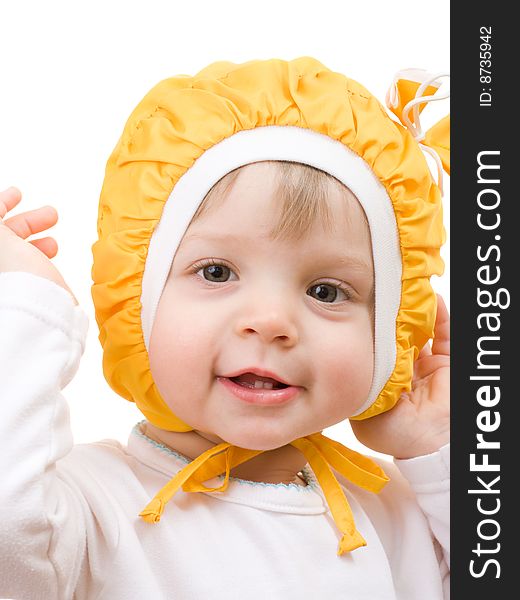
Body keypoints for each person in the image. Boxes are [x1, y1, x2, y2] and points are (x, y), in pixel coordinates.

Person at [0, 57, 450, 599]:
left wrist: (437, 454)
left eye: (326, 291)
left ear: (392, 330)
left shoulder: (401, 513)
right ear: (132, 297)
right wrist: (26, 309)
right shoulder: (84, 508)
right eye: (216, 273)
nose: (271, 323)